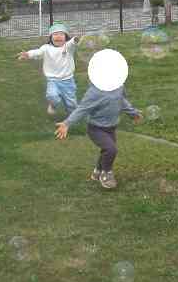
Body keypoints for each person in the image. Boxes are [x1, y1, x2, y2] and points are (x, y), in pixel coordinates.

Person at [55, 48, 141, 190]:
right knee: (111, 150)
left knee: (106, 150)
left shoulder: (119, 86)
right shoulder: (94, 93)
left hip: (111, 127)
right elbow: (82, 109)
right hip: (96, 128)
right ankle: (106, 173)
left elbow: (122, 101)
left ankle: (97, 172)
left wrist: (132, 113)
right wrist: (67, 123)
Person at [17, 23, 79, 116]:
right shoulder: (46, 48)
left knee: (71, 103)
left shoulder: (68, 47)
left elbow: (72, 43)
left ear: (66, 37)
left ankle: (71, 117)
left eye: (61, 34)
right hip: (53, 80)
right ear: (50, 37)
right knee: (52, 96)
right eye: (55, 34)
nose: (58, 36)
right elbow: (38, 52)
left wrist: (75, 39)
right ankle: (53, 105)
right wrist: (28, 54)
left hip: (68, 81)